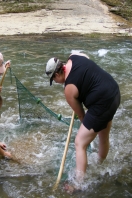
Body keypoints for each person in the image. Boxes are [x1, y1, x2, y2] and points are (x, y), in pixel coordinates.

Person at [45, 53, 120, 194]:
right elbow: (86, 58)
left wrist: (85, 131)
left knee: (80, 142)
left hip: (101, 104)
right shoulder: (74, 57)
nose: (55, 82)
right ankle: (99, 164)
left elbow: (81, 115)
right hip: (113, 93)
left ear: (56, 75)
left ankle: (78, 184)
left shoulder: (69, 89)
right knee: (103, 135)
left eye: (53, 79)